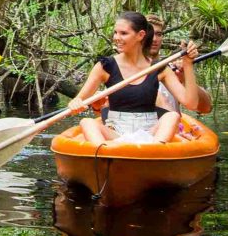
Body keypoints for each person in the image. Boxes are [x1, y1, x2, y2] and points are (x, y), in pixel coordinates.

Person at [70, 11, 208, 146]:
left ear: (140, 35)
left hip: (149, 132)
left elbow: (191, 104)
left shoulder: (158, 68)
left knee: (172, 116)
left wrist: (188, 64)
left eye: (123, 33)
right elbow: (79, 99)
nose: (116, 38)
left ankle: (154, 150)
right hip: (116, 132)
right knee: (86, 122)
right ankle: (105, 153)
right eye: (115, 32)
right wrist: (75, 103)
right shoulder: (105, 66)